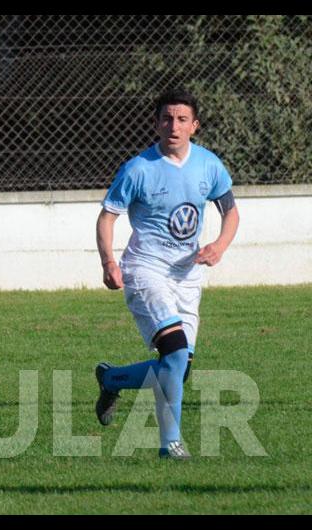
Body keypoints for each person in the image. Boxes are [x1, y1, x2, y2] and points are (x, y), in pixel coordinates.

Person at [94, 88, 240, 459]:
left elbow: (231, 211)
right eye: (166, 118)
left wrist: (220, 246)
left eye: (181, 119)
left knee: (178, 370)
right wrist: (109, 262)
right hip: (146, 271)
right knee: (174, 356)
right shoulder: (138, 168)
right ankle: (170, 445)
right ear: (155, 122)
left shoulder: (209, 165)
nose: (173, 126)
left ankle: (112, 379)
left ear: (195, 125)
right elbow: (107, 217)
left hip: (188, 276)